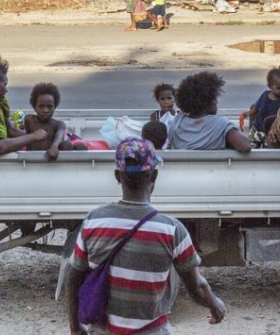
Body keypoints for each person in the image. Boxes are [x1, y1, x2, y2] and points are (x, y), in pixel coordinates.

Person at [65, 138, 226, 335]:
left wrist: (75, 328)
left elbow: (73, 278)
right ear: (154, 177)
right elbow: (198, 288)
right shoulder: (172, 230)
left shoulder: (94, 221)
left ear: (118, 176)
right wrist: (215, 304)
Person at [166, 71, 253, 152]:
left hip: (180, 167)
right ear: (208, 101)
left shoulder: (177, 123)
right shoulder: (221, 124)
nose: (216, 102)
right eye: (214, 98)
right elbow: (245, 146)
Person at [23, 82, 86, 161]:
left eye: (49, 107)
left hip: (53, 157)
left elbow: (59, 135)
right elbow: (22, 134)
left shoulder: (58, 124)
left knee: (72, 145)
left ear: (55, 107)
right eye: (41, 106)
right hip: (33, 161)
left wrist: (54, 147)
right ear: (34, 107)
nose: (45, 110)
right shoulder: (29, 120)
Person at [243, 68, 280, 135]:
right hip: (257, 127)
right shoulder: (265, 95)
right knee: (252, 142)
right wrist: (248, 113)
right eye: (279, 88)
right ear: (269, 86)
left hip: (269, 130)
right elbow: (256, 107)